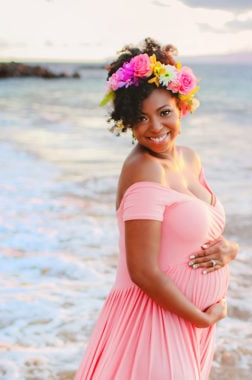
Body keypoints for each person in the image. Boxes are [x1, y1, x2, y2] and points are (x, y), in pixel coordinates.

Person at [74, 38, 239, 380]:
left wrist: (230, 249)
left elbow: (200, 230)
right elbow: (143, 271)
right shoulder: (144, 169)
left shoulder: (190, 158)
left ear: (182, 106)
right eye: (141, 118)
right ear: (127, 121)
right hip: (152, 322)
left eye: (164, 113)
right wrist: (200, 318)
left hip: (185, 320)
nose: (155, 128)